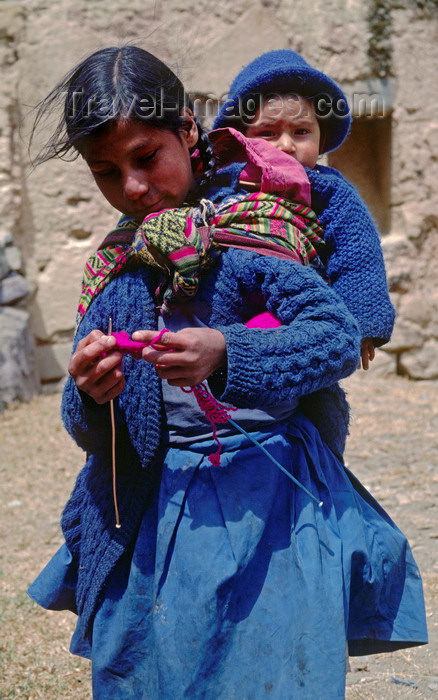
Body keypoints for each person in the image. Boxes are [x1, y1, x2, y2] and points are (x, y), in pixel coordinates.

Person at [27, 46, 427, 700]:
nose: (131, 187)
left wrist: (230, 354)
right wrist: (92, 393)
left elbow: (333, 338)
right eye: (105, 171)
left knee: (267, 672)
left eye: (147, 157)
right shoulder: (118, 267)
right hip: (157, 511)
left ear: (189, 130)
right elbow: (92, 433)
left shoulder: (254, 233)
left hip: (270, 500)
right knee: (156, 673)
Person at [212, 49, 396, 371]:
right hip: (224, 306)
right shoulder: (221, 186)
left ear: (321, 137)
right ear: (241, 139)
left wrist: (364, 322)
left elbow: (357, 254)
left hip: (299, 315)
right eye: (267, 133)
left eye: (301, 132)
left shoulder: (329, 192)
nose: (286, 145)